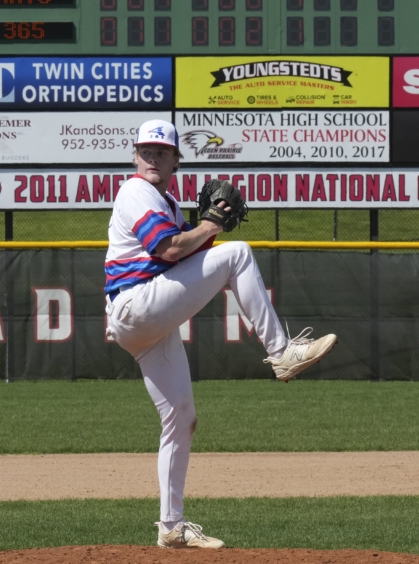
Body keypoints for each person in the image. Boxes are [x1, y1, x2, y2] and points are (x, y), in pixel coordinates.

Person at [104, 119, 337, 550]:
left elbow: (187, 257)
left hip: (147, 320)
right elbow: (169, 250)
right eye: (146, 151)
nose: (153, 158)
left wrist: (207, 226)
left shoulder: (169, 204)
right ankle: (281, 352)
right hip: (136, 303)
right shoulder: (135, 191)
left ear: (177, 159)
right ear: (135, 156)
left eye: (162, 151)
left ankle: (171, 526)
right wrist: (211, 224)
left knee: (181, 418)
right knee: (240, 254)